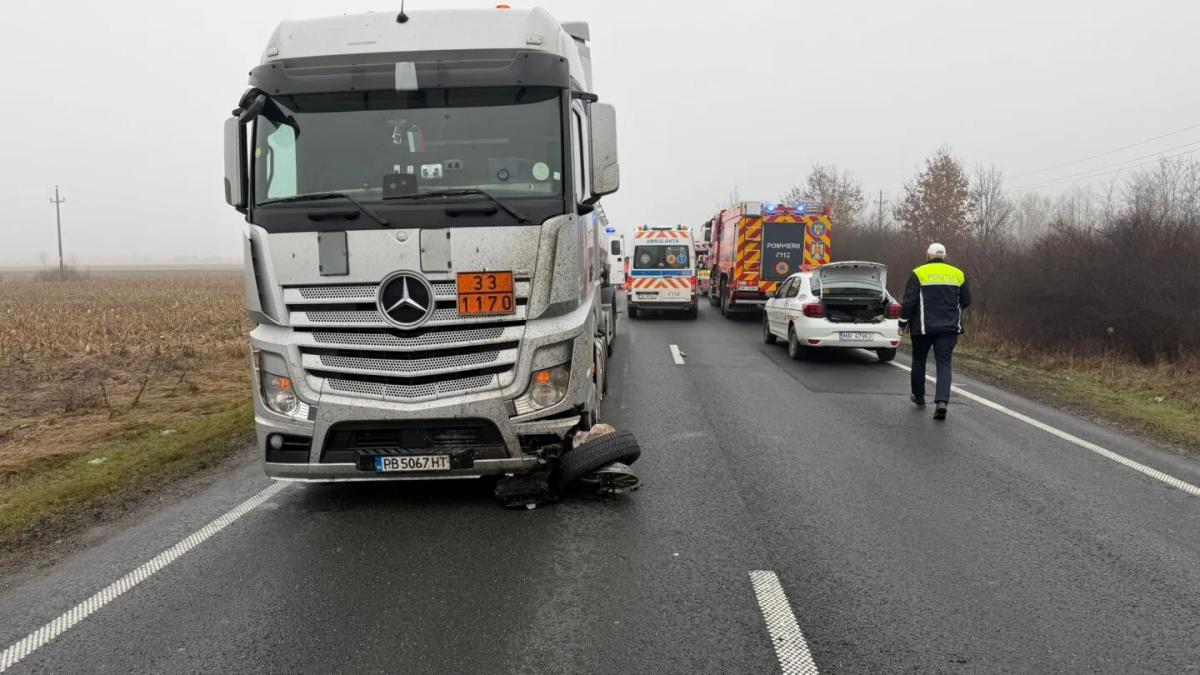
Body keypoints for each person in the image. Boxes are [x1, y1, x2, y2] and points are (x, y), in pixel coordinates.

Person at [898, 243, 972, 420]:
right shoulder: (958, 274)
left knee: (919, 359)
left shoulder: (918, 273)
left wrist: (902, 322)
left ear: (928, 255)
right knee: (944, 363)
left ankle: (919, 396)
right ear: (944, 256)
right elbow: (967, 300)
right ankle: (941, 402)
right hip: (948, 328)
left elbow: (909, 302)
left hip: (922, 328)